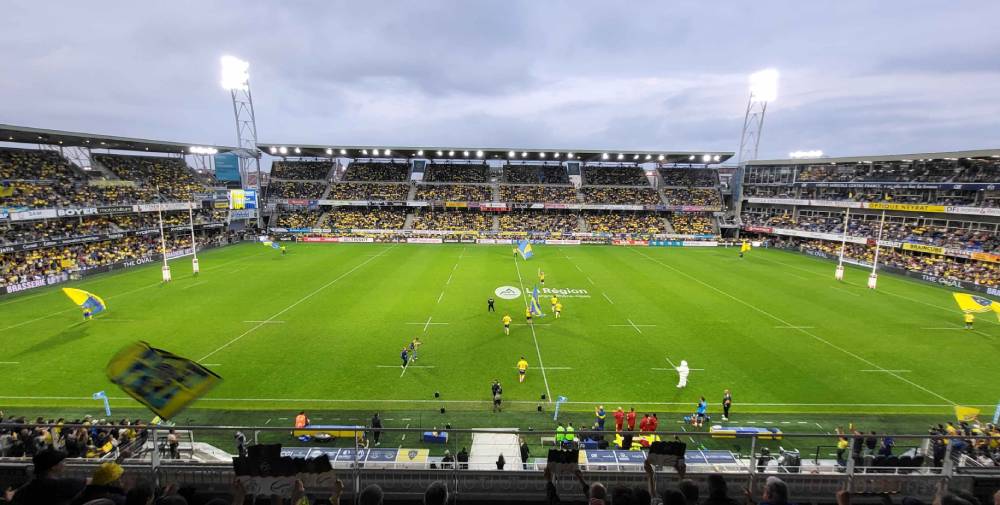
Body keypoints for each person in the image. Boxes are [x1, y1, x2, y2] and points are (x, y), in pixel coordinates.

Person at [10, 448, 86, 505]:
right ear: (53, 467)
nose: (65, 464)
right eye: (63, 462)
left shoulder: (26, 489)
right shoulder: (63, 485)